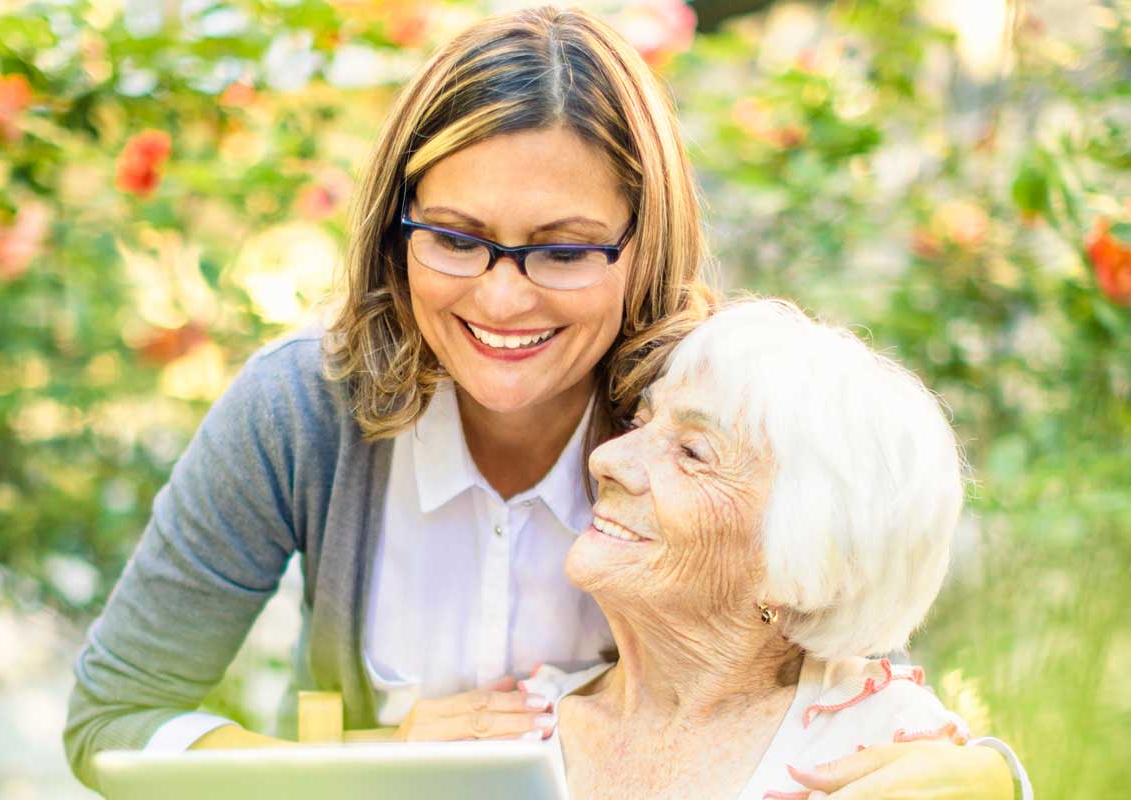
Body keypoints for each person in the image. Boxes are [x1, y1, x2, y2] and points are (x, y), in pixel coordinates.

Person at [64, 6, 1024, 797]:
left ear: (643, 242)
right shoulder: (301, 415)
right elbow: (116, 715)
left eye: (562, 251)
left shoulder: (706, 410)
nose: (501, 298)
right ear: (397, 227)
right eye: (455, 239)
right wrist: (369, 767)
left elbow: (850, 643)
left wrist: (989, 774)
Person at [522, 298, 1031, 799]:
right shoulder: (517, 725)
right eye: (640, 422)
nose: (608, 459)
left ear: (804, 558)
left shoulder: (887, 741)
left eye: (692, 452)